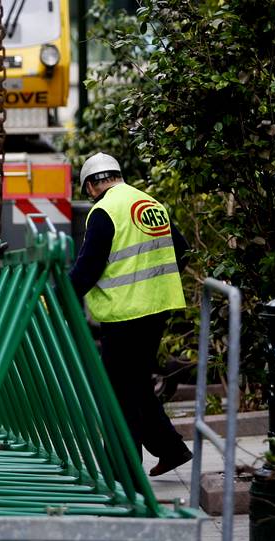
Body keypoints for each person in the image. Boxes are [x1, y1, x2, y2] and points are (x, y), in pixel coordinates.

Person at [69, 152, 194, 477]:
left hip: (125, 313)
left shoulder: (105, 210)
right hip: (156, 308)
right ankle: (171, 449)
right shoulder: (149, 203)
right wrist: (154, 280)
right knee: (135, 384)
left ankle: (123, 466)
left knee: (118, 390)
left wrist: (59, 298)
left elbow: (88, 269)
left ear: (93, 183)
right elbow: (181, 251)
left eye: (88, 190)